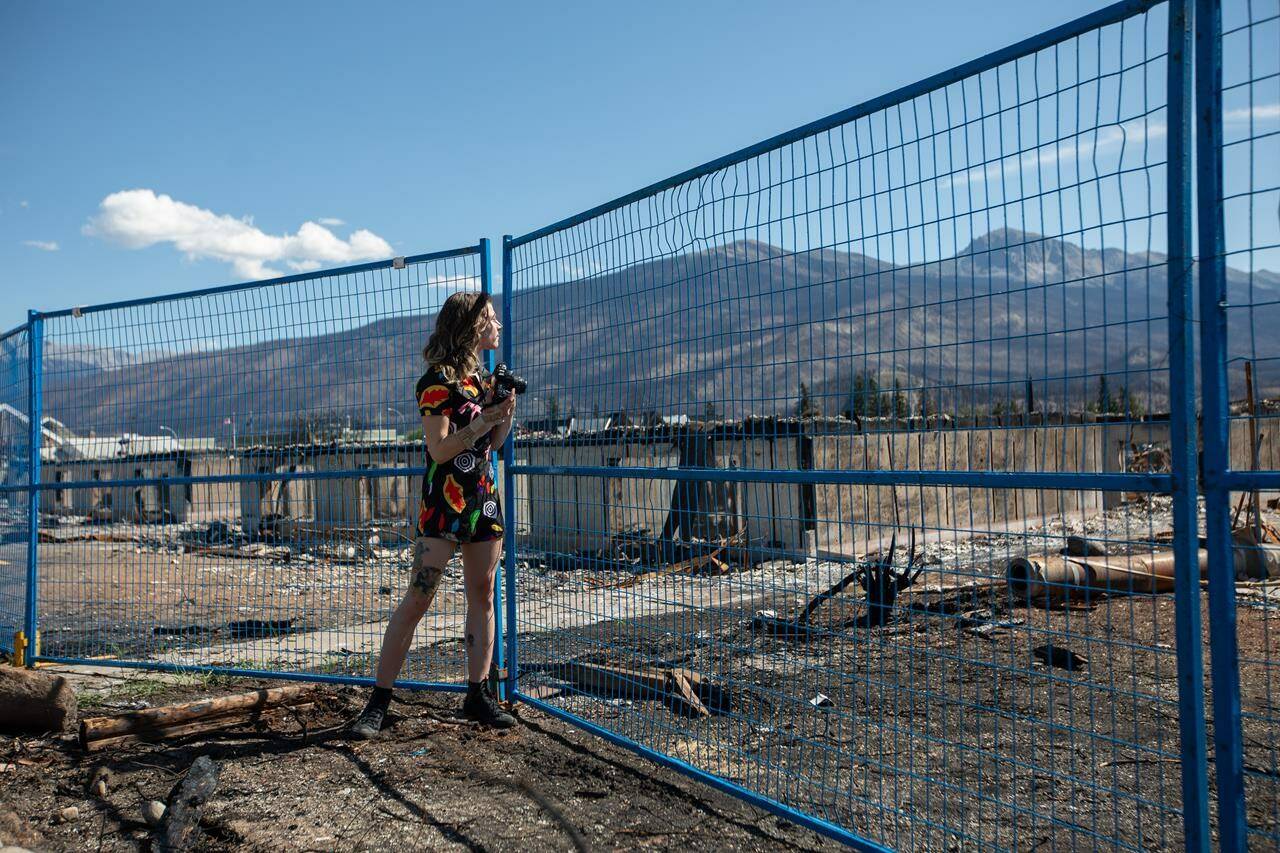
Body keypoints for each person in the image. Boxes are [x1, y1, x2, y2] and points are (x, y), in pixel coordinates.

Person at [349, 291, 517, 738]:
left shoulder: (482, 380)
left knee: (482, 594)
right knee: (419, 597)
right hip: (443, 503)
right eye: (490, 319)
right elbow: (439, 449)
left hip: (483, 501)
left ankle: (477, 694)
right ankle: (378, 702)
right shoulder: (436, 383)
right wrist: (483, 422)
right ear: (471, 328)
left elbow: (494, 446)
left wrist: (505, 414)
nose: (497, 326)